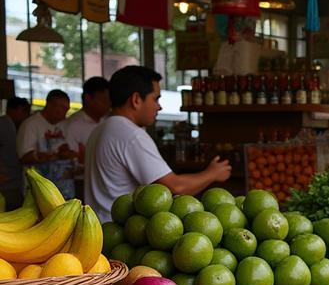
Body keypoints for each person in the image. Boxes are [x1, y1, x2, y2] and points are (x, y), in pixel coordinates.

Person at [85, 66, 232, 222]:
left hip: (98, 229)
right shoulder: (132, 135)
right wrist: (213, 173)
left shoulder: (100, 129)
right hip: (118, 231)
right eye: (155, 98)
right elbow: (173, 187)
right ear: (136, 100)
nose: (159, 106)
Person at [16, 89, 74, 199]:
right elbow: (24, 157)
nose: (64, 113)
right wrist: (54, 156)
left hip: (64, 190)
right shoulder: (31, 124)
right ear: (50, 105)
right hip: (38, 192)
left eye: (66, 110)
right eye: (61, 109)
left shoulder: (65, 124)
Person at [63, 77, 110, 160]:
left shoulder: (108, 121)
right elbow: (72, 162)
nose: (108, 104)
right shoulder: (72, 125)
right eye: (104, 100)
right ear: (88, 98)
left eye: (109, 100)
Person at [0, 97, 30, 211]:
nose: (26, 116)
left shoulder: (11, 125)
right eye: (25, 112)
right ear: (18, 109)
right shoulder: (3, 124)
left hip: (13, 181)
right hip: (6, 182)